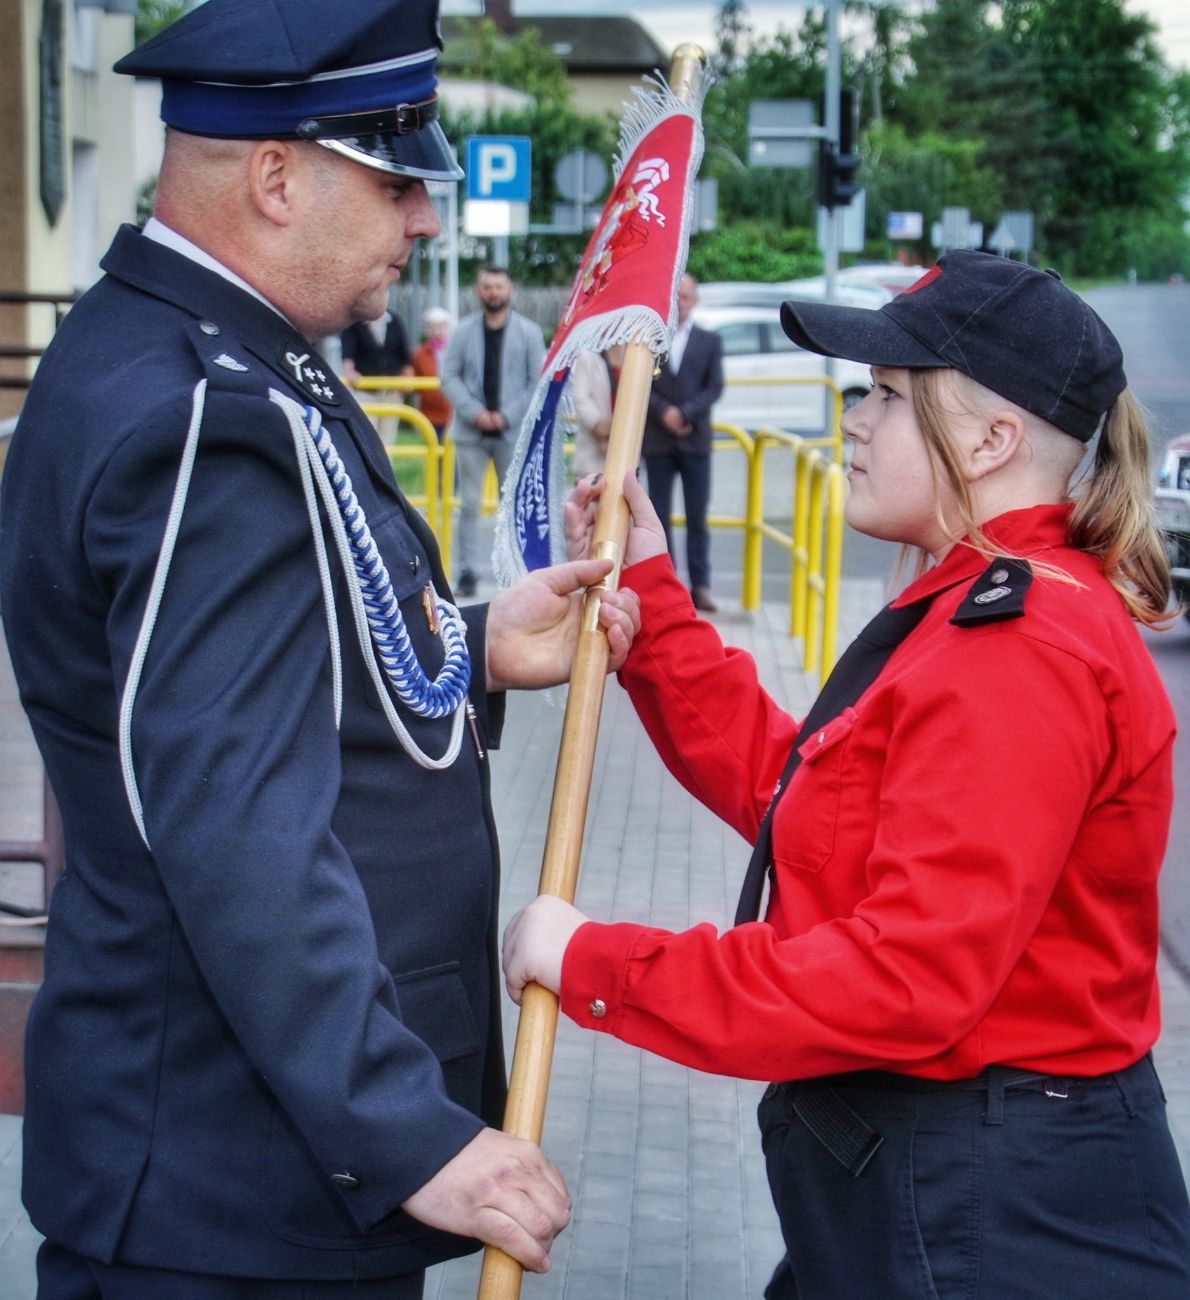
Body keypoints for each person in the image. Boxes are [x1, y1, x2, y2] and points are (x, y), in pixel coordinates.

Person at [0, 2, 639, 1296]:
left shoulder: (207, 357)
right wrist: (403, 1131)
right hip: (237, 1196)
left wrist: (470, 644)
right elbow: (236, 826)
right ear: (277, 177)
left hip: (241, 1179)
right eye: (398, 178)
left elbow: (259, 684)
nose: (423, 218)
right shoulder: (203, 412)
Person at [504, 252, 1190, 1298]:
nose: (852, 421)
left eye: (884, 396)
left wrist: (599, 961)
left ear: (990, 438)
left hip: (994, 1214)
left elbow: (902, 978)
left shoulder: (1021, 644)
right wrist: (654, 602)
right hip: (948, 1179)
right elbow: (811, 810)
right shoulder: (985, 603)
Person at [440, 267, 545, 597]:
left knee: (511, 505)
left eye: (498, 286)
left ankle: (513, 572)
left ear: (509, 288)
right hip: (471, 431)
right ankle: (466, 571)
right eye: (486, 286)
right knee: (468, 504)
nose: (493, 292)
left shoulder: (529, 333)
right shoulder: (462, 332)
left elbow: (535, 382)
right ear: (478, 290)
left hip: (511, 432)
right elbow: (449, 377)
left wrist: (505, 416)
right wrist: (476, 413)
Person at [642, 272, 724, 612]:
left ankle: (700, 586)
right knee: (657, 517)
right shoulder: (649, 340)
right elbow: (640, 384)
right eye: (675, 296)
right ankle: (669, 587)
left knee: (697, 517)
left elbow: (714, 386)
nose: (680, 302)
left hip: (695, 441)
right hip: (658, 441)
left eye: (685, 297)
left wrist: (685, 413)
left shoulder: (709, 340)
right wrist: (664, 413)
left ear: (696, 300)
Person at [569, 345, 624, 479]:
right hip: (592, 452)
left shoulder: (634, 354)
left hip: (624, 450)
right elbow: (580, 398)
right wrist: (598, 425)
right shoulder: (588, 356)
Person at [412, 305, 454, 441]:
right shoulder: (420, 353)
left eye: (442, 326)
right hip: (430, 413)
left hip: (454, 410)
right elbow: (416, 380)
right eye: (434, 326)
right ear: (427, 329)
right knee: (434, 452)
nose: (438, 330)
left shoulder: (456, 349)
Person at [340, 309, 414, 383]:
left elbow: (404, 353)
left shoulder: (394, 320)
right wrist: (349, 371)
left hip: (392, 388)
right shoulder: (355, 324)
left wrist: (406, 376)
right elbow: (348, 353)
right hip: (365, 388)